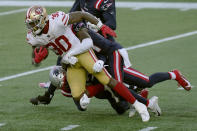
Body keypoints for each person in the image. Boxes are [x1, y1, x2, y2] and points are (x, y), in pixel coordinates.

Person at [25, 6, 150, 122]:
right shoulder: (33, 37)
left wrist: (100, 25)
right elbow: (40, 47)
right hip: (70, 63)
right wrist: (38, 54)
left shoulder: (57, 20)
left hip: (82, 51)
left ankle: (139, 106)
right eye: (30, 24)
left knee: (108, 80)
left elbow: (81, 14)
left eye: (34, 23)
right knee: (78, 96)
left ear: (43, 19)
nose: (32, 27)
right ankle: (112, 93)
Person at [30, 66, 160, 116]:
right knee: (121, 109)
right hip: (97, 90)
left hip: (99, 81)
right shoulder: (60, 86)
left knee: (120, 97)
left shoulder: (70, 68)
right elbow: (49, 94)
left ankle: (141, 97)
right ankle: (137, 95)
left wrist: (89, 92)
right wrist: (41, 99)